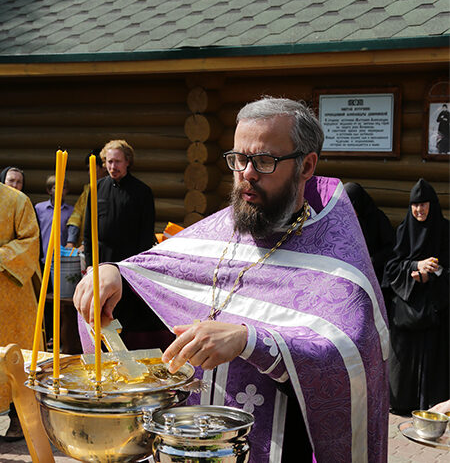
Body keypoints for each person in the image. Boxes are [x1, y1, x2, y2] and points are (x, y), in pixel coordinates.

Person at [74, 98, 389, 462]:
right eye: (239, 159)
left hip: (284, 447)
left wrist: (249, 340)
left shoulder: (335, 252)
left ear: (307, 165)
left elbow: (351, 353)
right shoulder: (220, 230)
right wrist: (115, 274)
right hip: (192, 441)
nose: (247, 174)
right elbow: (153, 284)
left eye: (264, 161)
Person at [83, 139, 157, 348]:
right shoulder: (96, 188)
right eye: (108, 161)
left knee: (125, 317)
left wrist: (135, 267)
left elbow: (145, 235)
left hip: (127, 263)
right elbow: (88, 230)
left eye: (117, 162)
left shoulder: (142, 192)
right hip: (101, 260)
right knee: (99, 312)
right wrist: (89, 263)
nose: (112, 167)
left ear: (127, 162)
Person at [385, 178, 449, 415]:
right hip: (408, 310)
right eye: (414, 205)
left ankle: (432, 404)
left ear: (432, 205)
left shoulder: (445, 232)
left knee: (434, 358)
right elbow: (391, 269)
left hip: (435, 309)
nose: (419, 210)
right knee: (405, 359)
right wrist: (414, 267)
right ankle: (403, 402)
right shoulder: (404, 230)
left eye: (423, 204)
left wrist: (431, 275)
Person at [0, 183, 43, 441]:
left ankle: (19, 419)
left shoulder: (17, 200)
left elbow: (30, 240)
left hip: (12, 299)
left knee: (16, 354)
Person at [344, 182, 395, 309]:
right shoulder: (346, 220)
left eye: (352, 205)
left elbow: (391, 247)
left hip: (377, 277)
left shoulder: (378, 219)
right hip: (353, 277)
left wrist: (371, 261)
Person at [66, 149, 107, 250]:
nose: (89, 173)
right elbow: (76, 215)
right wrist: (70, 241)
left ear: (104, 168)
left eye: (92, 168)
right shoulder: (88, 190)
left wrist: (86, 243)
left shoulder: (109, 191)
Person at [35, 175, 74, 263]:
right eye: (56, 188)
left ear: (67, 191)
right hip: (42, 257)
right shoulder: (39, 208)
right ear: (49, 190)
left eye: (63, 188)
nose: (60, 191)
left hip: (62, 258)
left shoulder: (71, 211)